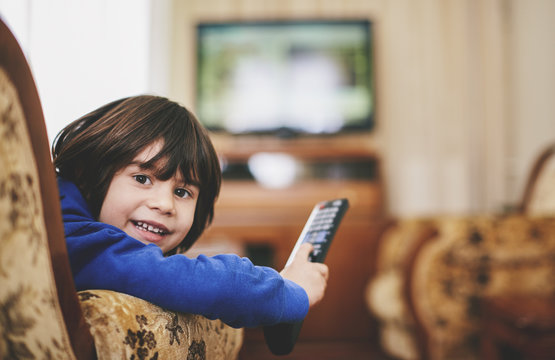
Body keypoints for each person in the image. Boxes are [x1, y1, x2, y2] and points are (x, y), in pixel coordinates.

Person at [52, 95, 328, 328]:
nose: (165, 204)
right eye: (142, 179)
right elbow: (216, 285)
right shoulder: (67, 233)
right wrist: (292, 291)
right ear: (89, 171)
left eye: (182, 192)